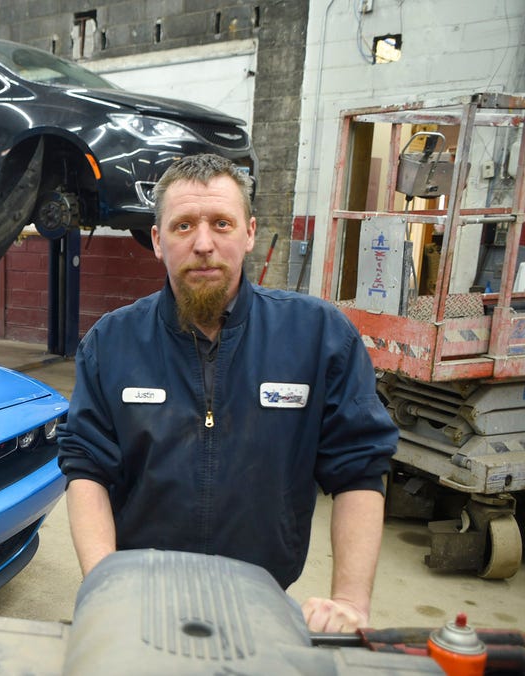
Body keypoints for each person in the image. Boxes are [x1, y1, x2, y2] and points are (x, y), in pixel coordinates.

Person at [57, 153, 398, 633]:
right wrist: (103, 589)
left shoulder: (319, 337)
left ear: (250, 233)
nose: (203, 244)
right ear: (157, 240)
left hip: (262, 604)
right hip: (138, 603)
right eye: (183, 226)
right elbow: (87, 469)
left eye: (221, 223)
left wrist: (350, 602)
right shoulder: (111, 343)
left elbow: (359, 469)